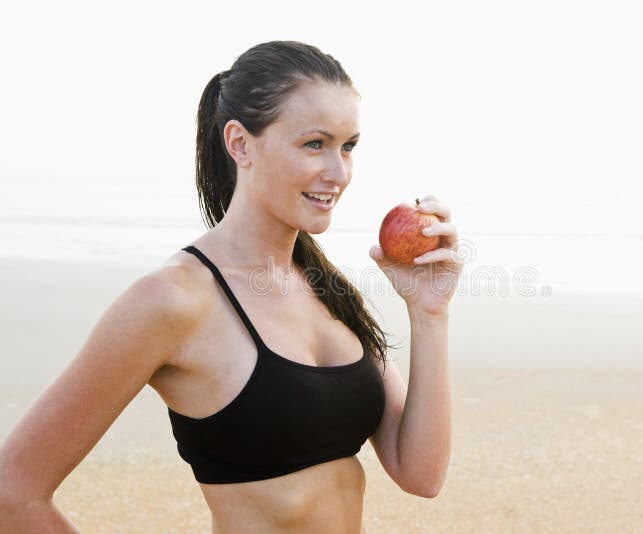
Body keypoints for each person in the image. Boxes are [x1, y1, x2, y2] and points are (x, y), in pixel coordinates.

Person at [0, 41, 464, 533]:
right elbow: (13, 490)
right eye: (315, 144)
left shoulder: (327, 289)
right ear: (240, 143)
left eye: (348, 146)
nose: (338, 172)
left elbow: (421, 474)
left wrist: (429, 314)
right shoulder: (171, 301)